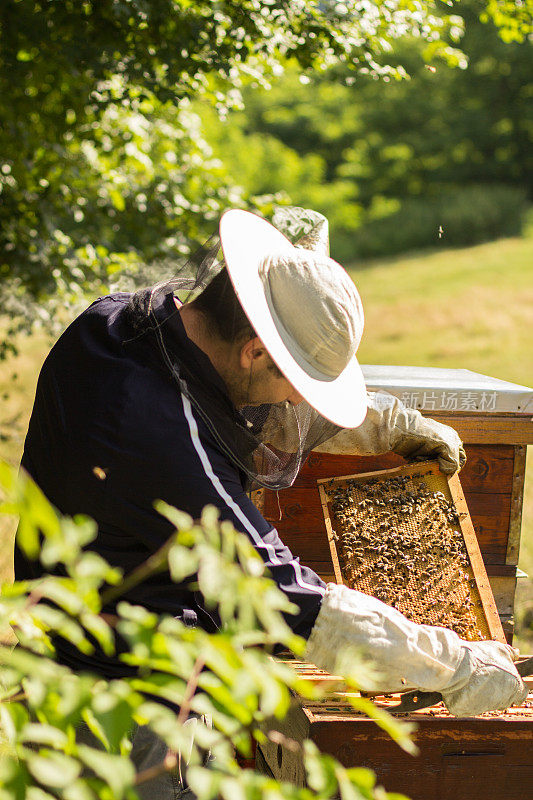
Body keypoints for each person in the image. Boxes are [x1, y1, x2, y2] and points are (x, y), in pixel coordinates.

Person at [14, 208, 527, 797]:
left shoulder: (115, 324)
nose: (294, 401)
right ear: (255, 350)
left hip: (59, 652)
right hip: (122, 716)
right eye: (294, 381)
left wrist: (389, 423)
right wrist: (456, 666)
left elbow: (253, 410)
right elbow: (290, 599)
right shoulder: (166, 443)